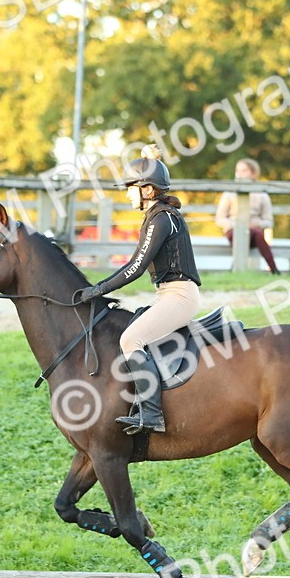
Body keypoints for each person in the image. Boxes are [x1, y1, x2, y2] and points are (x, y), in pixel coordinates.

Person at [75, 145, 202, 435]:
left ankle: (152, 414)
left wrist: (98, 290)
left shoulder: (162, 219)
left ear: (147, 190)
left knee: (131, 339)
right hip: (168, 294)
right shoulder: (158, 216)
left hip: (180, 296)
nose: (127, 193)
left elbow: (135, 266)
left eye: (131, 187)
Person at [215, 158, 279, 275]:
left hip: (255, 233)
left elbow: (269, 221)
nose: (240, 173)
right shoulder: (229, 193)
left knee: (257, 234)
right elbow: (220, 218)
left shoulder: (262, 195)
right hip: (234, 231)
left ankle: (273, 268)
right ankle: (237, 269)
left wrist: (257, 224)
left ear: (253, 173)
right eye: (238, 170)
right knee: (240, 233)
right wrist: (236, 225)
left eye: (244, 170)